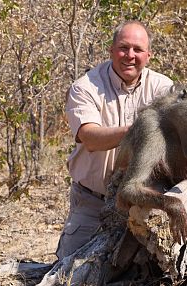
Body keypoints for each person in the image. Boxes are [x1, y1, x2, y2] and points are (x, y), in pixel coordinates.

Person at [56, 20, 174, 260]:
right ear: (111, 50)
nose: (130, 55)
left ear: (148, 55)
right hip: (92, 203)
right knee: (67, 277)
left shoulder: (163, 88)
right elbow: (90, 138)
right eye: (123, 48)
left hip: (143, 204)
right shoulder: (86, 87)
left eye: (138, 50)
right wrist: (137, 129)